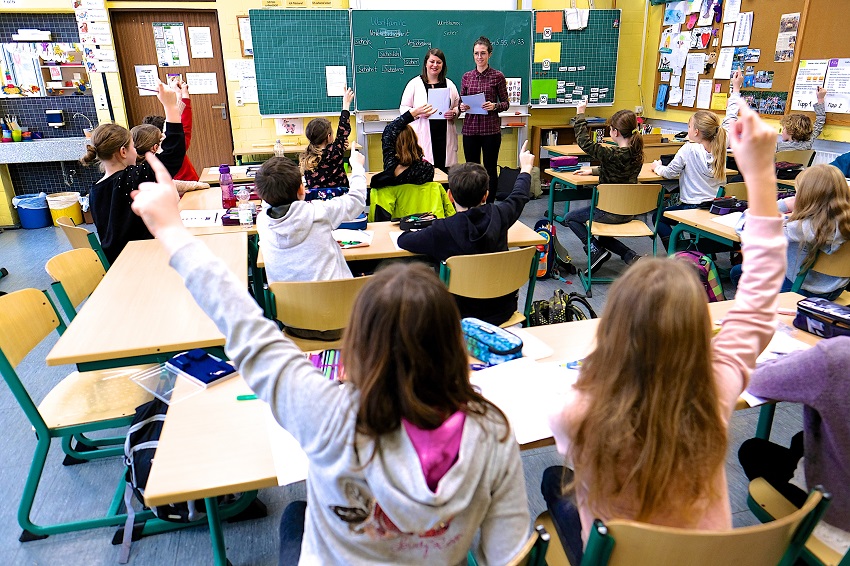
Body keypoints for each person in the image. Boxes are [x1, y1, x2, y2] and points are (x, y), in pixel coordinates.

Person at [128, 154, 532, 565]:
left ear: (357, 344)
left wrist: (171, 230)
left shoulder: (326, 414)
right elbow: (509, 555)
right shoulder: (492, 431)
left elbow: (244, 324)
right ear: (456, 344)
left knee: (294, 517)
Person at [543, 105, 786, 563]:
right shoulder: (713, 391)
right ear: (700, 330)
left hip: (619, 553)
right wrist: (760, 175)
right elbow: (758, 301)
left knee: (553, 481)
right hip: (699, 557)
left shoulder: (577, 412)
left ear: (611, 329)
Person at [397, 141, 532, 326]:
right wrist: (526, 168)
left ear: (450, 195)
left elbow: (404, 241)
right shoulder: (501, 215)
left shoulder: (441, 229)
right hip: (503, 310)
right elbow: (519, 196)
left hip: (457, 315)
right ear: (486, 195)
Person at [738, 337, 850, 555]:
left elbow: (757, 380)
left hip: (839, 522)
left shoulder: (836, 358)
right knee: (800, 440)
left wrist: (797, 360)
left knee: (753, 451)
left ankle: (794, 552)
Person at [81, 81, 184, 265]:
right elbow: (172, 153)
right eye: (132, 147)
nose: (136, 152)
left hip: (118, 265)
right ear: (123, 152)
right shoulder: (132, 178)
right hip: (145, 261)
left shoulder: (95, 191)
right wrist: (170, 105)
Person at [732, 164, 850, 299]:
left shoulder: (797, 229)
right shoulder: (844, 222)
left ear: (805, 195)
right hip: (835, 288)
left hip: (801, 289)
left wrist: (785, 204)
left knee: (737, 272)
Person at [253, 150, 366, 284]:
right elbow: (356, 200)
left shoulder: (262, 222)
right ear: (302, 190)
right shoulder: (319, 212)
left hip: (288, 304)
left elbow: (269, 201)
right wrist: (357, 167)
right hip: (336, 302)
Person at [562, 99, 645, 272]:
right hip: (628, 211)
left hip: (609, 211)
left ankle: (595, 250)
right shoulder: (637, 153)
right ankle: (630, 255)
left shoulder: (611, 153)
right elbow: (620, 170)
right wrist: (593, 171)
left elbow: (585, 143)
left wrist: (580, 113)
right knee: (604, 235)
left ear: (614, 132)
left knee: (570, 218)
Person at [650, 110, 727, 241]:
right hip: (715, 207)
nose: (688, 129)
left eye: (689, 126)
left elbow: (669, 173)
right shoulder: (720, 148)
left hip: (692, 207)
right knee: (695, 222)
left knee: (658, 217)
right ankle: (700, 251)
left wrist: (657, 167)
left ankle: (676, 251)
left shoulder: (688, 149)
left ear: (696, 132)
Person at [459, 36, 509, 203]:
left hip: (490, 130)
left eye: (483, 53)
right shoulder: (467, 77)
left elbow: (506, 103)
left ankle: (489, 205)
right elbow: (461, 100)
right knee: (472, 169)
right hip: (470, 129)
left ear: (489, 54)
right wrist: (461, 106)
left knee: (489, 169)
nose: (479, 57)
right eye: (476, 53)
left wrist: (494, 106)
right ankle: (473, 202)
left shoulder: (497, 76)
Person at [726, 71, 826, 152]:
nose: (782, 131)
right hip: (796, 176)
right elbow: (820, 122)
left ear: (791, 131)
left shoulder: (776, 147)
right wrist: (820, 99)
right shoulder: (808, 143)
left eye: (784, 129)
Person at [399, 48, 460, 171]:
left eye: (439, 62)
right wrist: (418, 112)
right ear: (426, 63)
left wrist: (454, 112)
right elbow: (403, 108)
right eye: (432, 61)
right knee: (426, 171)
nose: (435, 65)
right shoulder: (415, 84)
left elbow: (457, 105)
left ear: (443, 65)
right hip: (423, 134)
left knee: (445, 172)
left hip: (444, 135)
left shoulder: (449, 84)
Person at [142, 79, 198, 181]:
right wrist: (182, 93)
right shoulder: (175, 147)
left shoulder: (143, 162)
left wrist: (179, 93)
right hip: (188, 188)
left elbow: (181, 119)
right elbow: (183, 123)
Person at [300, 87, 354, 190]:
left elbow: (342, 133)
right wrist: (346, 104)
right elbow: (343, 130)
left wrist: (340, 145)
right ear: (329, 137)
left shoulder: (306, 156)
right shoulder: (335, 151)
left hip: (317, 203)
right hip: (340, 200)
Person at [369, 105, 436, 189]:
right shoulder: (426, 169)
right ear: (414, 140)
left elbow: (389, 131)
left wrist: (411, 114)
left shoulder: (390, 168)